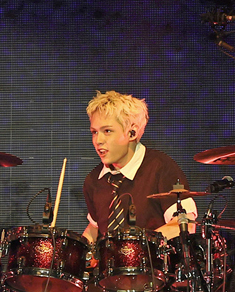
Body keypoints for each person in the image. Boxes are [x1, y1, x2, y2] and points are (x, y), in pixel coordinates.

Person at [82, 90, 196, 243]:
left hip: (154, 258)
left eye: (107, 131)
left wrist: (134, 246)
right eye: (94, 132)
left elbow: (185, 225)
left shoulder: (161, 168)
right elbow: (95, 228)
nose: (98, 140)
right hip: (110, 259)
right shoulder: (93, 180)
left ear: (132, 133)